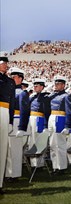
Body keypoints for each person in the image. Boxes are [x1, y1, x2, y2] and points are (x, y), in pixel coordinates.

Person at [5, 67, 30, 182]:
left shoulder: (22, 93)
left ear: (20, 78)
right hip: (10, 121)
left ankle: (15, 174)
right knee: (9, 150)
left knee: (15, 150)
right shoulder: (10, 91)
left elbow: (25, 111)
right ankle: (9, 173)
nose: (12, 79)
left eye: (14, 77)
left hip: (17, 122)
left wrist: (22, 127)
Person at [46, 75, 68, 175]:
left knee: (60, 144)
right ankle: (55, 166)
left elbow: (69, 111)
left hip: (60, 117)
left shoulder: (66, 96)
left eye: (58, 84)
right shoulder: (53, 95)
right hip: (52, 116)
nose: (56, 85)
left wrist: (68, 125)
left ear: (63, 85)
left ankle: (61, 167)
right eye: (55, 84)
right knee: (52, 144)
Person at [0, 55, 15, 195]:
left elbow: (12, 104)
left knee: (2, 149)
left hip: (4, 112)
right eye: (3, 63)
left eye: (5, 63)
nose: (5, 65)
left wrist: (10, 121)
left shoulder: (10, 82)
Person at [28, 78, 48, 167]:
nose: (35, 87)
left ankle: (39, 163)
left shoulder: (45, 97)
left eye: (37, 85)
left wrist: (45, 125)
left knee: (38, 140)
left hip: (39, 118)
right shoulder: (32, 97)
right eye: (34, 85)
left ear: (42, 87)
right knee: (31, 140)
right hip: (31, 118)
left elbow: (47, 111)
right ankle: (33, 163)